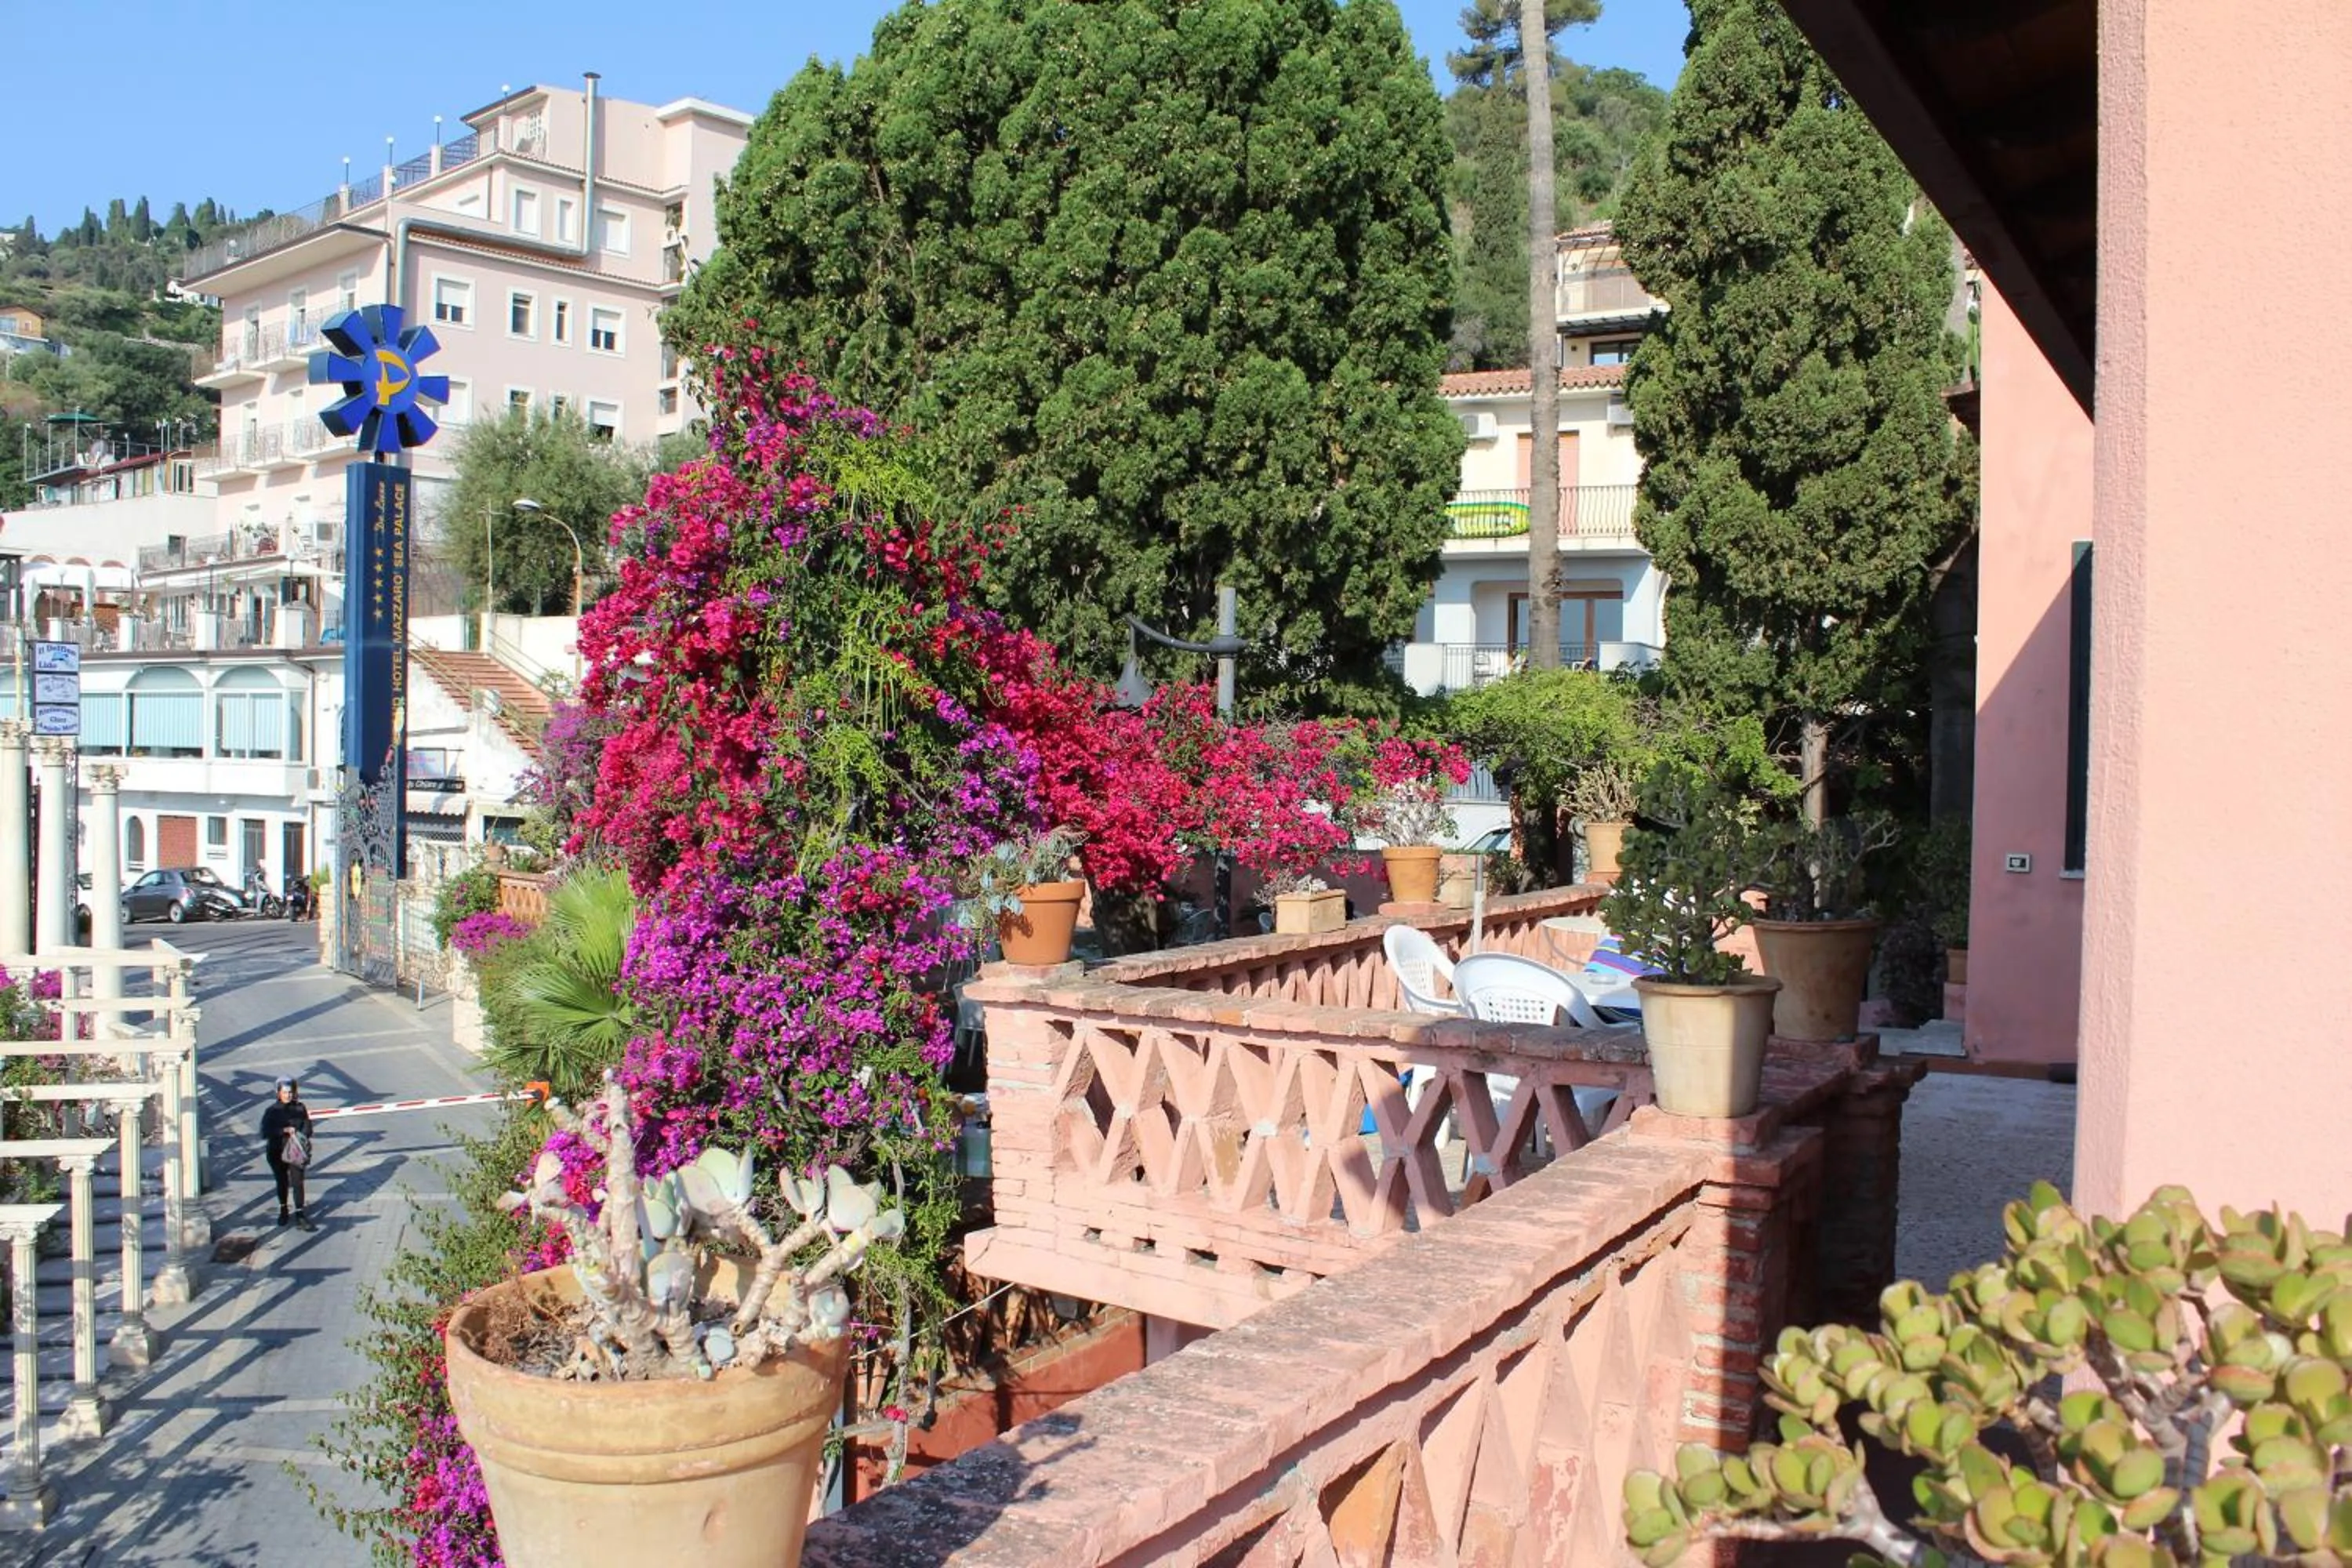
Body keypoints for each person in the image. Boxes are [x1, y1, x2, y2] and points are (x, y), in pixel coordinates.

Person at [261, 1077, 315, 1230]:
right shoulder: (272, 1111)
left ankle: (300, 1213)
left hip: (296, 1152)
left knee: (298, 1182)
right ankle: (283, 1209)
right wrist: (283, 1131)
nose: (288, 1095)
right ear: (278, 1093)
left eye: (290, 1092)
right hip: (277, 1151)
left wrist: (299, 1134)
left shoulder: (300, 1108)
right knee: (282, 1181)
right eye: (285, 1092)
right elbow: (265, 1132)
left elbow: (308, 1127)